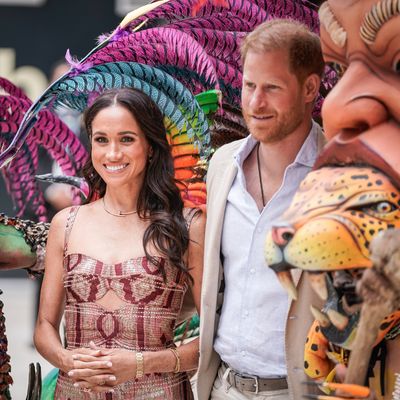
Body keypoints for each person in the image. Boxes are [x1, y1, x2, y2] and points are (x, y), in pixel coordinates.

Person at [34, 88, 205, 398]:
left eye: (126, 139)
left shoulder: (188, 226)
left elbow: (213, 337)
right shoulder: (66, 223)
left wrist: (139, 364)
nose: (112, 154)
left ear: (151, 147)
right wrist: (67, 359)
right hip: (76, 392)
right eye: (101, 140)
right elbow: (45, 325)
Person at [195, 19, 325, 400]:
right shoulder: (222, 164)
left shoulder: (340, 173)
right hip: (223, 387)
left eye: (272, 88)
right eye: (249, 85)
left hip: (300, 392)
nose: (255, 102)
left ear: (310, 89)